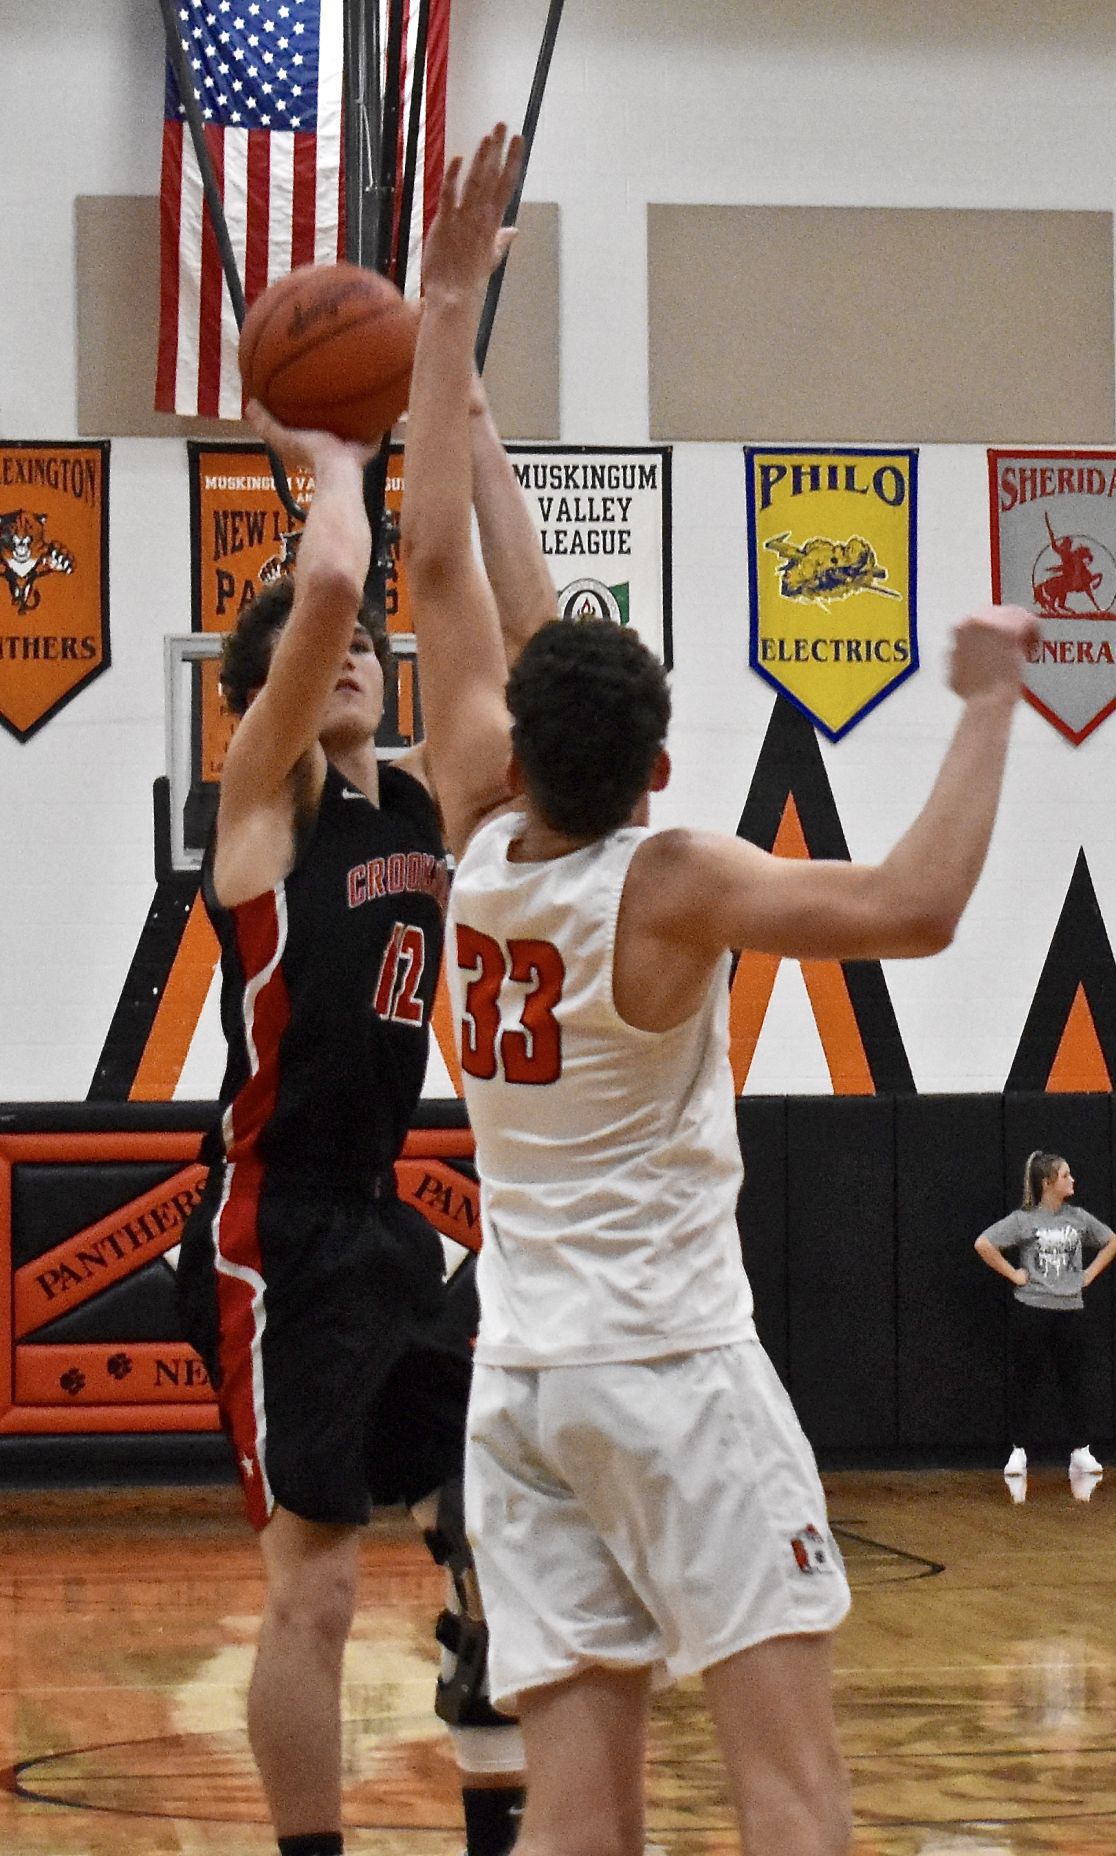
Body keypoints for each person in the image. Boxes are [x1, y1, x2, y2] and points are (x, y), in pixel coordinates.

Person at [398, 125, 1042, 1856]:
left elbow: (447, 572)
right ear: (662, 768)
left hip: (522, 1388)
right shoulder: (670, 883)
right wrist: (991, 700)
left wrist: (448, 334)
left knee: (577, 1804)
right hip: (671, 1369)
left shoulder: (473, 837)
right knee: (790, 1786)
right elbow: (915, 909)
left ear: (513, 745)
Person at [176, 394, 538, 1856]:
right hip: (274, 1230)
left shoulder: (430, 808)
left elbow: (504, 647)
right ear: (261, 695)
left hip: (384, 1220)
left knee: (501, 1497)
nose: (353, 659)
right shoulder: (264, 807)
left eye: (371, 656)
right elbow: (332, 583)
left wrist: (467, 421)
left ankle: (500, 1796)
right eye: (320, 658)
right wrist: (337, 463)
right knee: (316, 1587)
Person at [974, 1150, 1116, 1486]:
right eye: (1065, 1175)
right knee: (1025, 1381)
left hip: (1070, 1309)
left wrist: (1089, 1274)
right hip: (1033, 1308)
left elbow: (1111, 1241)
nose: (1072, 1180)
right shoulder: (1024, 1220)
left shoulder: (1078, 1218)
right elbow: (984, 1243)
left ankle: (1081, 1450)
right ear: (1047, 1182)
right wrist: (1014, 1274)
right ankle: (1018, 1450)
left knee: (1074, 1381)